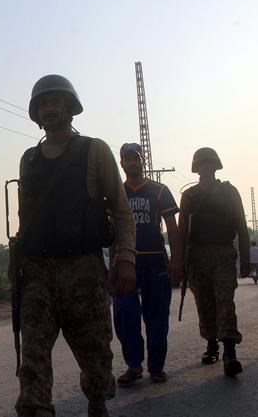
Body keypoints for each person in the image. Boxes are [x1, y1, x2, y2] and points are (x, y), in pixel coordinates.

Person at [14, 74, 136, 417]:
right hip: (38, 273)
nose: (49, 108)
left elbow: (122, 212)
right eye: (43, 104)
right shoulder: (29, 159)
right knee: (33, 358)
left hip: (84, 271)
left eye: (55, 101)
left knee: (96, 358)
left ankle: (97, 404)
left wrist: (126, 259)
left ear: (69, 107)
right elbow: (25, 217)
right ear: (37, 113)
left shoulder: (95, 151)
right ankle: (36, 407)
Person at [113, 143, 182, 387]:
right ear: (122, 163)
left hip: (155, 261)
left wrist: (177, 260)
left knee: (157, 315)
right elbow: (111, 231)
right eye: (127, 159)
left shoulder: (159, 190)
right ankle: (134, 365)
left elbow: (172, 228)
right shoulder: (116, 193)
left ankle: (156, 367)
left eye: (136, 158)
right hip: (126, 262)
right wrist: (112, 264)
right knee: (124, 315)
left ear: (143, 161)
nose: (132, 162)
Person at [179, 147, 250, 378]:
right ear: (196, 168)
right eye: (202, 164)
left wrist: (246, 260)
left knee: (225, 301)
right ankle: (212, 344)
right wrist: (179, 264)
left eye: (210, 163)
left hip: (223, 253)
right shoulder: (189, 196)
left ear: (216, 166)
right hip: (198, 256)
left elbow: (241, 226)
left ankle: (229, 352)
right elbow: (182, 233)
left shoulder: (229, 192)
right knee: (205, 302)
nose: (206, 167)